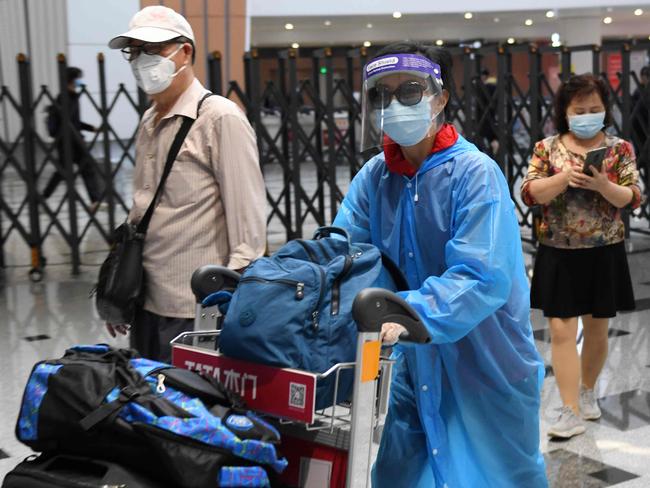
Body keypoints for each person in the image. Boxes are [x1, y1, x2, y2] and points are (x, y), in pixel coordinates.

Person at [333, 41, 547, 487]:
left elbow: (482, 276)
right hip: (416, 362)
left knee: (501, 474)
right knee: (402, 470)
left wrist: (408, 313)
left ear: (441, 97)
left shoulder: (475, 173)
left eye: (409, 90)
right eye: (380, 95)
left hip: (488, 362)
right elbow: (343, 254)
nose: (393, 105)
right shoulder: (375, 177)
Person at [105, 6, 266, 362]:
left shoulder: (220, 117)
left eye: (153, 49)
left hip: (195, 310)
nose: (141, 60)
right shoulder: (149, 120)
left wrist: (233, 307)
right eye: (134, 51)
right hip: (146, 303)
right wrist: (121, 291)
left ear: (185, 51)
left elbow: (249, 229)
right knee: (151, 409)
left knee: (189, 409)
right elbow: (142, 211)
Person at [521, 73, 640, 439]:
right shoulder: (547, 148)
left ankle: (588, 392)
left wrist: (604, 185)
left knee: (597, 329)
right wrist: (563, 178)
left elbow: (632, 197)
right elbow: (530, 193)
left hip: (605, 252)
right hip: (558, 252)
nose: (588, 115)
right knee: (560, 330)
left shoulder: (620, 149)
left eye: (595, 109)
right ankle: (569, 409)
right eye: (579, 109)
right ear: (564, 112)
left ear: (605, 110)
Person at [43, 66, 104, 211]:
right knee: (64, 172)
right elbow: (67, 123)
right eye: (78, 78)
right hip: (68, 142)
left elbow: (73, 122)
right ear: (71, 79)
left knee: (84, 168)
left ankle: (95, 201)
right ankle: (43, 197)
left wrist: (91, 128)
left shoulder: (72, 96)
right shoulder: (65, 97)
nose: (79, 81)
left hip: (74, 140)